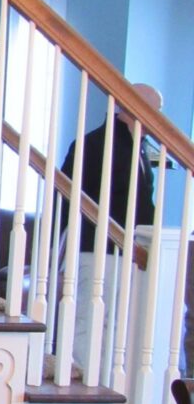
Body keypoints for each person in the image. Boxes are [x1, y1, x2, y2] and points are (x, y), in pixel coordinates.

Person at [60, 84, 160, 372]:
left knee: (115, 326)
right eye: (155, 111)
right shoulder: (95, 144)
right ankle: (82, 380)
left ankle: (103, 382)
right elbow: (68, 197)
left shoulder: (138, 147)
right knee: (89, 322)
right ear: (133, 107)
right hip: (96, 249)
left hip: (127, 252)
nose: (159, 120)